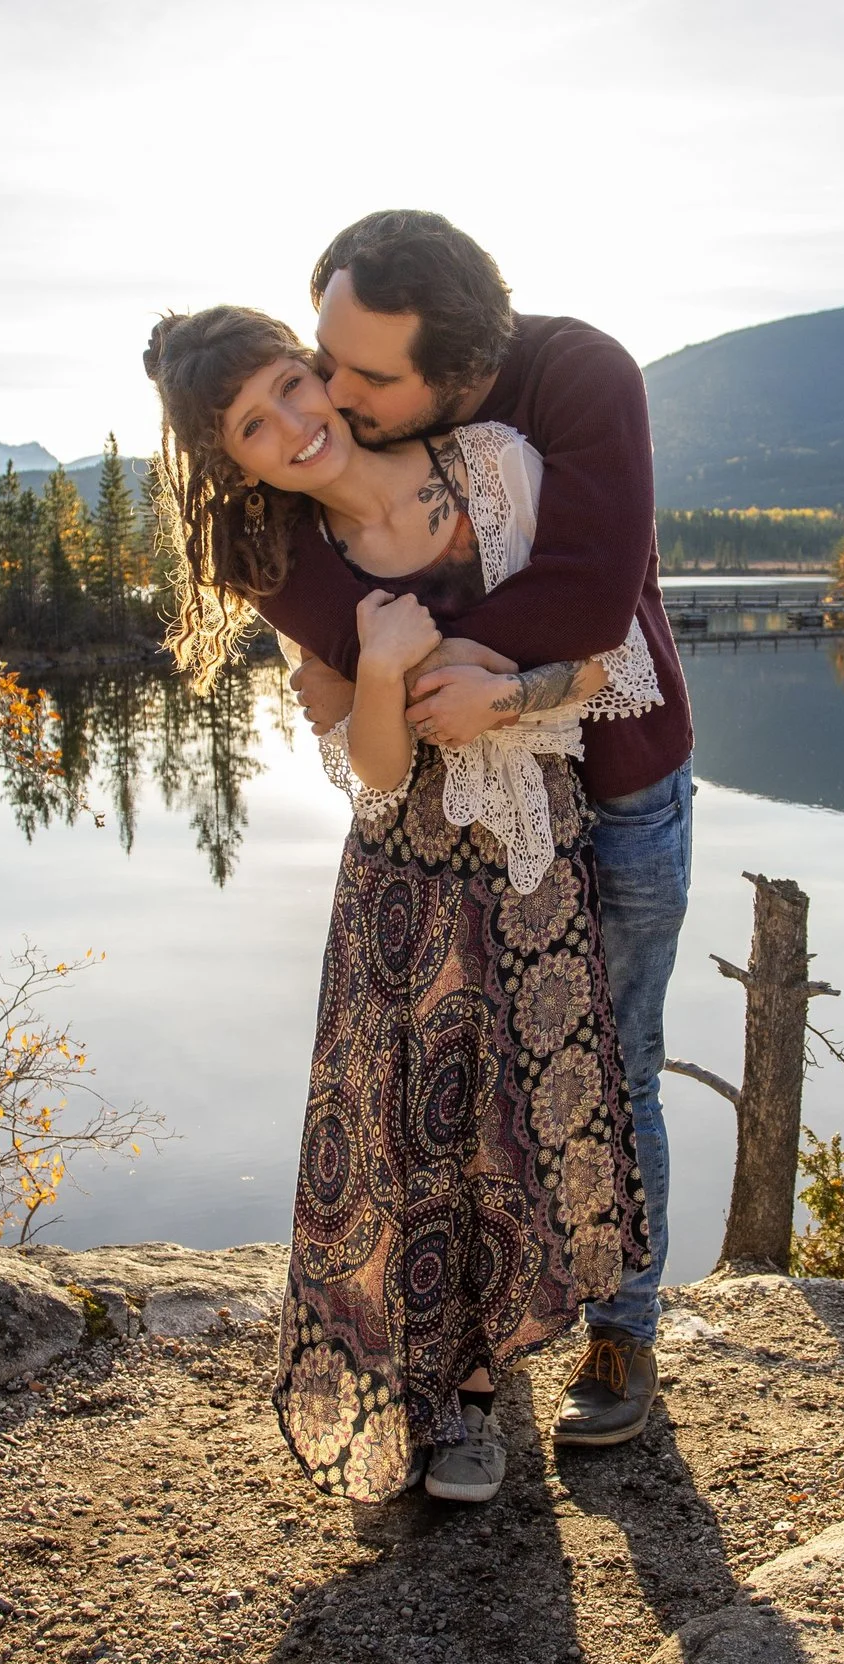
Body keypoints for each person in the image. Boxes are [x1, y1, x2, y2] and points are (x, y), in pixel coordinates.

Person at [145, 305, 655, 1504]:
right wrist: (379, 669)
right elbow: (372, 770)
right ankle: (454, 1404)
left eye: (289, 386)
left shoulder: (489, 466)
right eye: (253, 429)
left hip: (534, 851)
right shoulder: (293, 566)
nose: (291, 427)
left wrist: (500, 686)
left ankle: (547, 1342)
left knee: (528, 1119)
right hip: (405, 879)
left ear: (318, 369)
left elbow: (604, 659)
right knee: (416, 1133)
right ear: (233, 459)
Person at [256, 212, 692, 1450]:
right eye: (324, 357)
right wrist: (345, 641)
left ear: (458, 373)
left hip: (620, 789)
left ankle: (624, 1326)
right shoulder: (352, 419)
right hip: (455, 836)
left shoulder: (577, 379)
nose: (334, 396)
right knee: (471, 1098)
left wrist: (423, 668)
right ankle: (480, 1359)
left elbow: (589, 600)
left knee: (619, 1066)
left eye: (367, 377)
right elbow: (321, 595)